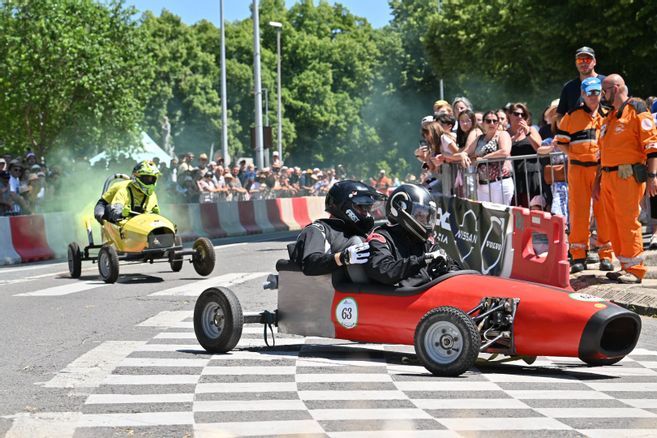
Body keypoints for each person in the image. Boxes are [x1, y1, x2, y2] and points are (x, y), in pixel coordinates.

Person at [595, 74, 657, 283]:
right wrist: (597, 181)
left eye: (604, 90)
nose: (601, 95)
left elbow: (652, 146)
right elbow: (602, 153)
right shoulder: (610, 116)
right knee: (614, 223)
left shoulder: (637, 109)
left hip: (627, 174)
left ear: (616, 88)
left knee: (628, 220)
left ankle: (635, 269)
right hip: (608, 176)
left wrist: (652, 176)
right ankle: (625, 266)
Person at [555, 77, 613, 273]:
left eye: (596, 92)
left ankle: (606, 254)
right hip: (578, 169)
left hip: (600, 170)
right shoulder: (571, 116)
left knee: (603, 211)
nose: (593, 96)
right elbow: (561, 141)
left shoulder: (608, 115)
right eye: (589, 93)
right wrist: (573, 155)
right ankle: (579, 256)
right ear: (582, 94)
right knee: (579, 212)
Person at [365, 184, 453, 287]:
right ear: (399, 208)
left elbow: (452, 266)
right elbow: (384, 271)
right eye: (420, 215)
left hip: (427, 298)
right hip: (397, 299)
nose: (425, 220)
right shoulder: (380, 238)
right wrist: (423, 260)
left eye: (427, 216)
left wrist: (446, 267)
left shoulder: (426, 241)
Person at [291, 179, 384, 276]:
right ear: (344, 205)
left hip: (375, 284)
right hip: (337, 288)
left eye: (368, 208)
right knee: (356, 242)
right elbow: (310, 264)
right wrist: (343, 258)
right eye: (362, 207)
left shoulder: (361, 231)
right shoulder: (317, 230)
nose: (366, 213)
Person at [464, 110, 514, 205]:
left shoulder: (502, 134)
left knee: (500, 215)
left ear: (498, 123)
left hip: (500, 182)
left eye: (495, 121)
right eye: (488, 121)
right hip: (482, 184)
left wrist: (484, 158)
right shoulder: (479, 138)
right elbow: (467, 152)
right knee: (484, 216)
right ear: (483, 123)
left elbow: (505, 151)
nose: (492, 123)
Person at [94, 160, 161, 224]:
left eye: (152, 179)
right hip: (119, 223)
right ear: (136, 176)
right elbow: (102, 203)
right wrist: (100, 214)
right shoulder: (121, 188)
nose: (150, 181)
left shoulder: (152, 195)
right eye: (147, 178)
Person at [556, 46, 606, 120]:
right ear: (576, 63)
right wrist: (566, 129)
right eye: (580, 60)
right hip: (576, 130)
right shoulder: (569, 87)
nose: (583, 63)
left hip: (602, 129)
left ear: (594, 61)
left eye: (587, 60)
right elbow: (560, 114)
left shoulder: (606, 82)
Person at [509, 103, 543, 207]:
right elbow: (503, 150)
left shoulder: (531, 130)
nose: (519, 117)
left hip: (532, 175)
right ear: (509, 115)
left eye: (522, 114)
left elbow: (540, 149)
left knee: (534, 209)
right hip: (515, 176)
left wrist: (528, 134)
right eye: (516, 113)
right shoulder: (505, 133)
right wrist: (514, 139)